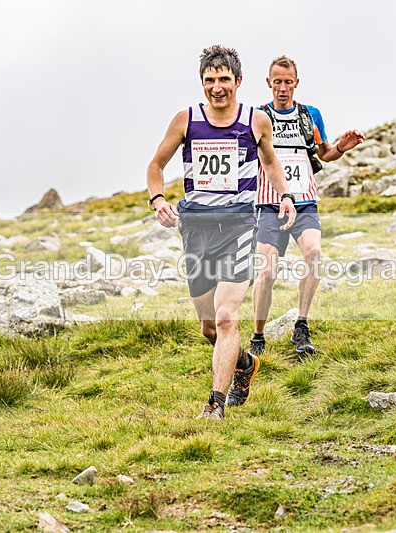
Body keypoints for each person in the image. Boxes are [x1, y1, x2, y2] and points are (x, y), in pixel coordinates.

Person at [146, 45, 297, 419]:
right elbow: (156, 164)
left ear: (238, 81)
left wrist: (286, 196)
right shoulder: (186, 120)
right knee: (210, 327)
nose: (217, 87)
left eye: (224, 79)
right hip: (195, 227)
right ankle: (244, 363)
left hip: (239, 225)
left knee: (228, 316)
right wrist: (158, 200)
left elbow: (272, 162)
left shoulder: (256, 121)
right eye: (210, 80)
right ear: (202, 83)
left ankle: (214, 405)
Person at [251, 55, 365, 358]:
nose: (283, 88)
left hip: (304, 203)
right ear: (269, 83)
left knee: (314, 253)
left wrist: (342, 146)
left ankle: (301, 325)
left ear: (296, 83)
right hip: (269, 204)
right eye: (278, 82)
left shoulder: (310, 115)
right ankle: (258, 335)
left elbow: (325, 153)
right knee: (267, 271)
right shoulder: (259, 117)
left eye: (288, 82)